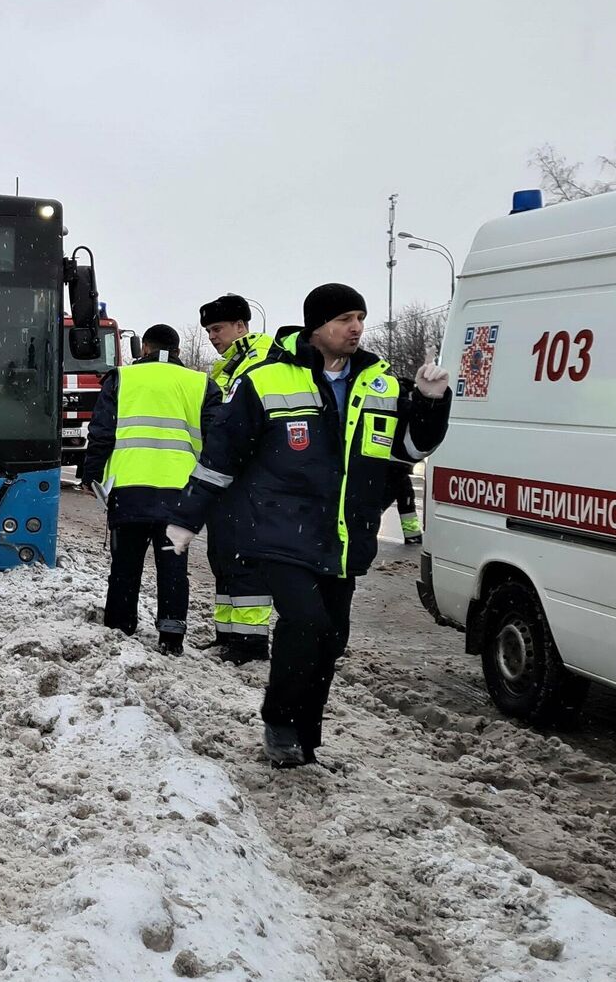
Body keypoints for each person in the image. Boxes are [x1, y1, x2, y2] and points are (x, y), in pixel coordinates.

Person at [169, 283, 452, 767]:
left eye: (359, 318)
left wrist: (429, 401)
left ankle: (307, 737)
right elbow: (223, 455)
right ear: (316, 326)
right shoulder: (268, 379)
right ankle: (280, 723)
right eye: (344, 319)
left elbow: (409, 451)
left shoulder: (380, 383)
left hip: (345, 535)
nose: (355, 328)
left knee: (331, 638)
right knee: (306, 622)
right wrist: (187, 518)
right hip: (280, 531)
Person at [79, 324, 219, 655]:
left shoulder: (123, 379)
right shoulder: (201, 384)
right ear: (178, 352)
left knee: (125, 565)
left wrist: (91, 476)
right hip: (181, 495)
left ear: (144, 349)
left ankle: (120, 626)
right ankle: (171, 635)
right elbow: (217, 442)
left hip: (130, 490)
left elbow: (102, 432)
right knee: (173, 565)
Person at [196, 293, 278, 662]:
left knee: (244, 562)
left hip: (251, 481)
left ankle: (251, 643)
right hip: (228, 479)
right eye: (209, 330)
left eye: (218, 328)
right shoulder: (228, 367)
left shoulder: (260, 361)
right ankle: (227, 635)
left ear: (241, 326)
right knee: (223, 558)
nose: (213, 336)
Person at [391, 462, 423, 544]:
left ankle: (412, 535)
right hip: (391, 469)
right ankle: (412, 535)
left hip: (396, 469)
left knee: (406, 500)